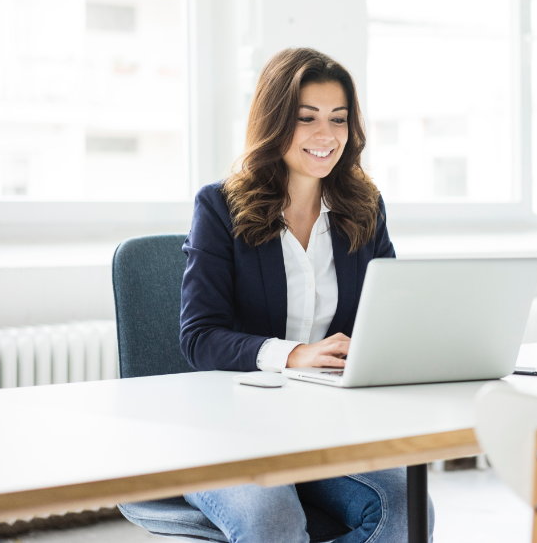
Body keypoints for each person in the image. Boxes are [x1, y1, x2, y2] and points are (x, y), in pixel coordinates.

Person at [179, 47, 434, 543]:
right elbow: (199, 337)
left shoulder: (363, 207)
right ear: (275, 122)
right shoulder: (219, 207)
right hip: (232, 428)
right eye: (307, 118)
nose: (327, 135)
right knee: (272, 519)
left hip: (325, 424)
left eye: (338, 119)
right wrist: (295, 354)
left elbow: (387, 317)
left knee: (406, 510)